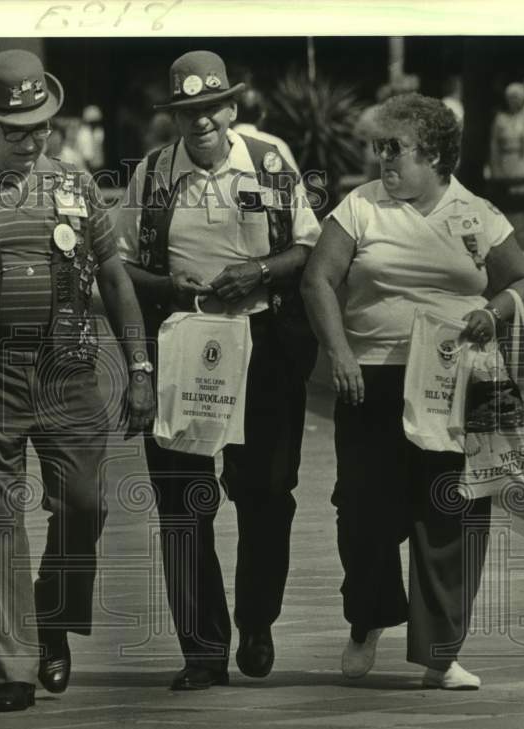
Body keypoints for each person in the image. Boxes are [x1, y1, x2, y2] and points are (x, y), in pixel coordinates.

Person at [0, 49, 155, 712]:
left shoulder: (76, 188)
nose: (28, 139)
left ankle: (52, 617)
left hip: (67, 371)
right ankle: (13, 666)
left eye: (40, 125)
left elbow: (116, 280)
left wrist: (139, 366)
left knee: (84, 505)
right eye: (15, 128)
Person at [300, 93, 524, 690]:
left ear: (433, 155)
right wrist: (340, 352)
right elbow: (319, 280)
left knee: (451, 510)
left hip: (457, 382)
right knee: (363, 513)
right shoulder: (359, 207)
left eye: (395, 150)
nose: (384, 161)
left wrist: (497, 309)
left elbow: (523, 279)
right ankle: (368, 620)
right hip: (372, 379)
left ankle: (439, 653)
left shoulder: (477, 213)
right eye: (379, 149)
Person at [118, 50, 321, 691]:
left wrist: (258, 271)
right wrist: (168, 288)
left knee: (266, 494)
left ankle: (256, 620)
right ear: (175, 116)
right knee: (183, 501)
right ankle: (203, 650)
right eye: (187, 110)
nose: (200, 121)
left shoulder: (269, 159)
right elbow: (118, 267)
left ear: (232, 108)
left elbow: (309, 245)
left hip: (261, 342)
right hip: (183, 338)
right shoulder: (151, 175)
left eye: (211, 107)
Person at [232, 87, 300, 172]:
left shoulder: (219, 144)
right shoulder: (277, 145)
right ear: (263, 115)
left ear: (233, 111)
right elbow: (296, 184)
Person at [488, 82, 524, 180]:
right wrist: (495, 167)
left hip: (522, 160)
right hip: (505, 159)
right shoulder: (500, 118)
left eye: (516, 97)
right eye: (511, 97)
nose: (513, 101)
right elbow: (494, 144)